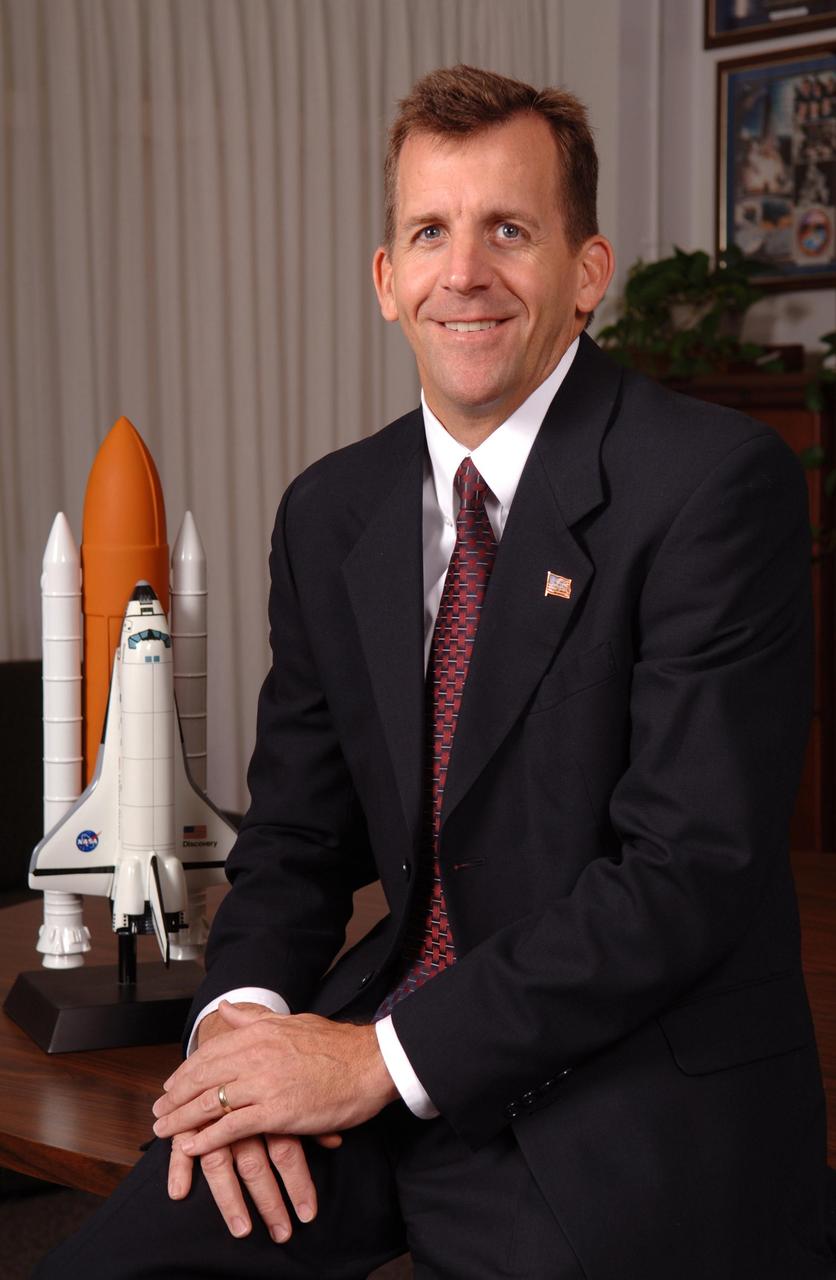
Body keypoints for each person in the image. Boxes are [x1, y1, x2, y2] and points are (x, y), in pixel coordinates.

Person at [37, 63, 833, 1280]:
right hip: (365, 1062)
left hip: (619, 1085)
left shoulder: (713, 487)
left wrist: (372, 1058)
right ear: (385, 280)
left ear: (584, 271)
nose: (463, 272)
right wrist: (241, 1025)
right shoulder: (331, 510)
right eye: (428, 232)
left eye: (507, 230)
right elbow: (296, 835)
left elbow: (684, 875)